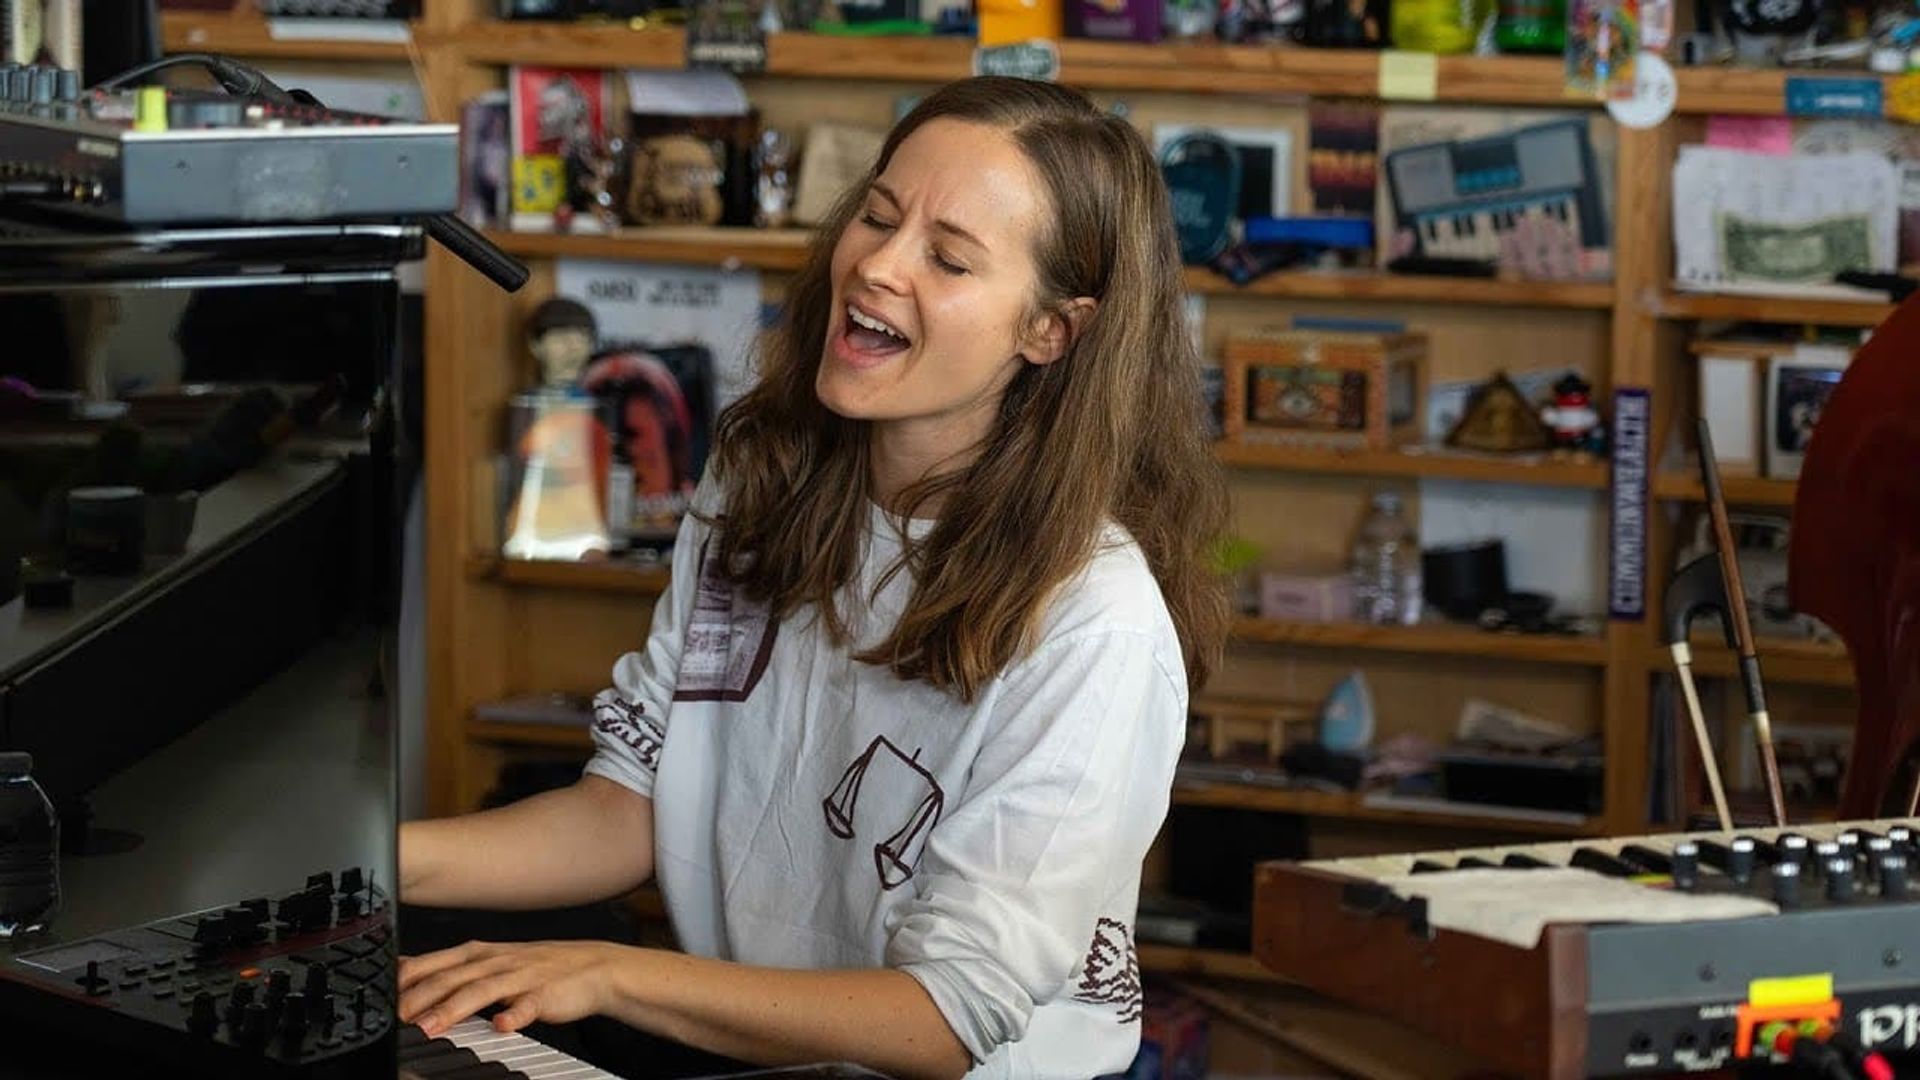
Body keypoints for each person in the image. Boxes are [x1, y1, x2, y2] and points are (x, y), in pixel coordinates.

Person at [398, 76, 1230, 1080]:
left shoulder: (1096, 621)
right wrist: (359, 863)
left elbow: (944, 1020)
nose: (877, 264)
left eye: (949, 257)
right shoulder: (760, 480)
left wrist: (612, 974)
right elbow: (636, 803)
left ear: (1050, 330)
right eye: (877, 216)